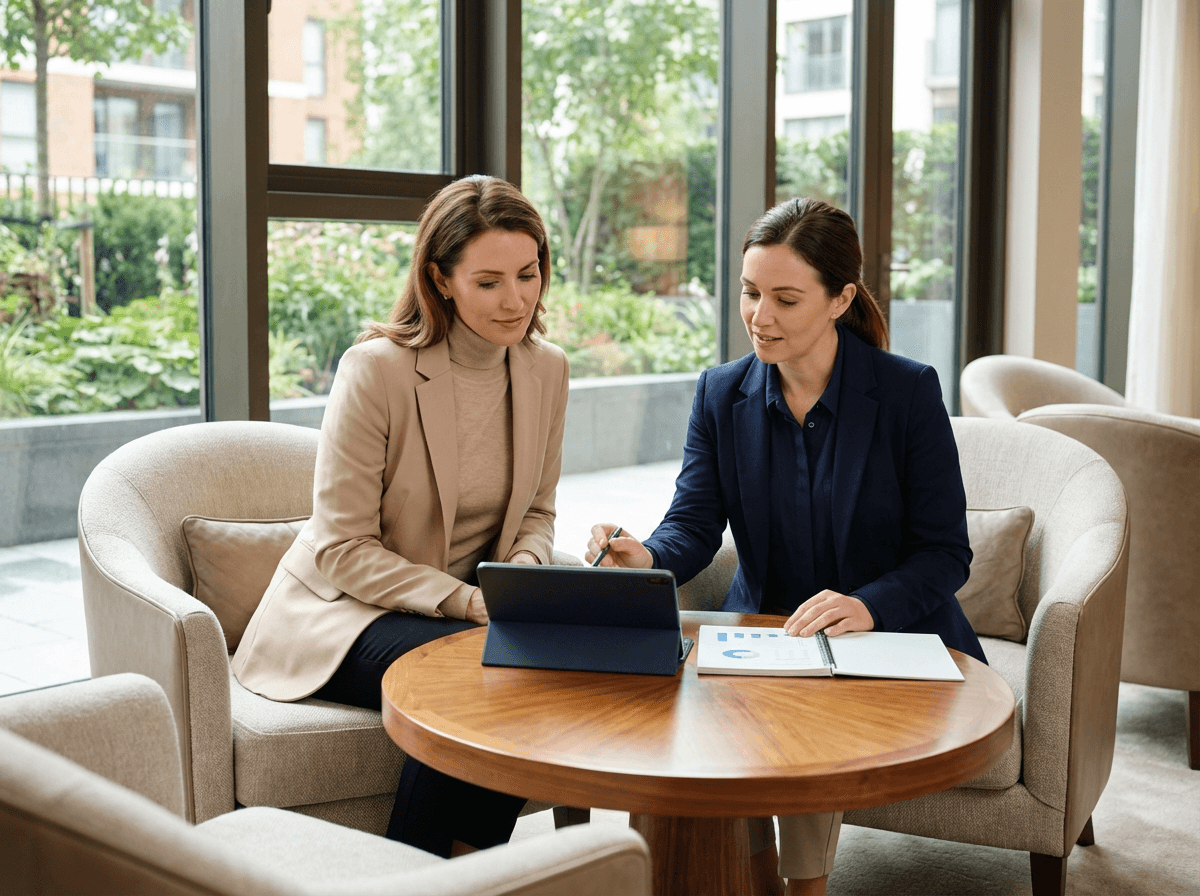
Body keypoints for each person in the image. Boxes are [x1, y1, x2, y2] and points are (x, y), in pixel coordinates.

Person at [585, 197, 985, 896]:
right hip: (765, 632)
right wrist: (645, 554)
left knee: (811, 717)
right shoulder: (720, 394)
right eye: (749, 291)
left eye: (785, 298)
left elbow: (945, 552)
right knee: (659, 710)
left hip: (889, 634)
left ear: (841, 299)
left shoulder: (907, 393)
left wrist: (865, 605)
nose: (759, 316)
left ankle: (803, 890)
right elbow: (695, 526)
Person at [233, 174, 569, 858]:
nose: (516, 300)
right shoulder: (377, 370)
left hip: (470, 610)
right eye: (488, 282)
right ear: (440, 280)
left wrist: (523, 577)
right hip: (345, 613)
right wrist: (465, 602)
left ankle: (469, 865)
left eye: (528, 275)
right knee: (472, 669)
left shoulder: (547, 370)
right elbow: (340, 548)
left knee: (529, 662)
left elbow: (537, 509)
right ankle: (417, 872)